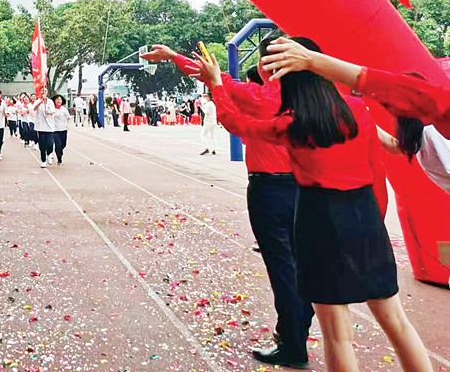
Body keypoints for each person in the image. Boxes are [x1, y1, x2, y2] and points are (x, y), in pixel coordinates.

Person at [191, 42, 433, 372]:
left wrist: (216, 84)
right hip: (365, 218)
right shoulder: (356, 110)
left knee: (337, 336)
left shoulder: (291, 124)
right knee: (397, 323)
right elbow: (380, 162)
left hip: (320, 222)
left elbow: (237, 123)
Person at [146, 42, 314, 367]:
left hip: (270, 190)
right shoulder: (312, 96)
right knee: (300, 264)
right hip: (307, 189)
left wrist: (175, 57)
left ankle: (293, 344)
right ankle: (294, 330)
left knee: (283, 268)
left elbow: (214, 83)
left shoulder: (261, 97)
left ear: (266, 66)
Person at [261, 37, 450, 192]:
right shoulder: (418, 136)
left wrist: (312, 61)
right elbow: (404, 98)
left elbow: (410, 94)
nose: (393, 108)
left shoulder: (431, 131)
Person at [31, 87, 57, 167]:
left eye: (45, 91)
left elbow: (53, 111)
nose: (44, 92)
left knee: (50, 143)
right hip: (40, 126)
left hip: (49, 126)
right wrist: (41, 101)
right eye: (42, 91)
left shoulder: (50, 101)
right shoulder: (37, 101)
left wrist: (49, 112)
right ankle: (43, 160)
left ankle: (49, 154)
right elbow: (34, 108)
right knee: (42, 144)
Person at [52, 95, 70, 164]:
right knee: (58, 144)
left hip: (63, 129)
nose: (58, 101)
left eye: (60, 99)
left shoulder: (64, 109)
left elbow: (68, 118)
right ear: (54, 100)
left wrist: (67, 125)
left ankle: (60, 151)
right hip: (54, 129)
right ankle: (59, 158)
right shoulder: (52, 108)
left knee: (63, 144)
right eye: (57, 99)